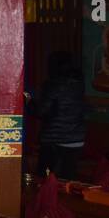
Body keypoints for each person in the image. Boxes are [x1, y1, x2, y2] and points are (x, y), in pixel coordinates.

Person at [31, 51, 85, 179]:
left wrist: (30, 102)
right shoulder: (79, 84)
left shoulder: (52, 85)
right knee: (68, 179)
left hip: (54, 139)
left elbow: (41, 111)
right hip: (77, 139)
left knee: (45, 179)